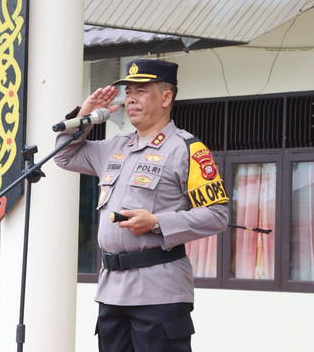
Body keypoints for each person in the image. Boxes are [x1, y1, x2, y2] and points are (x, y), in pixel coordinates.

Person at [54, 58, 229, 351]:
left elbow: (217, 215)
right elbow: (64, 156)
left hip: (159, 292)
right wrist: (86, 114)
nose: (130, 98)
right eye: (129, 91)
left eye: (141, 90)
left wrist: (158, 222)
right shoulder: (115, 146)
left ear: (166, 97)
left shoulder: (186, 149)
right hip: (112, 291)